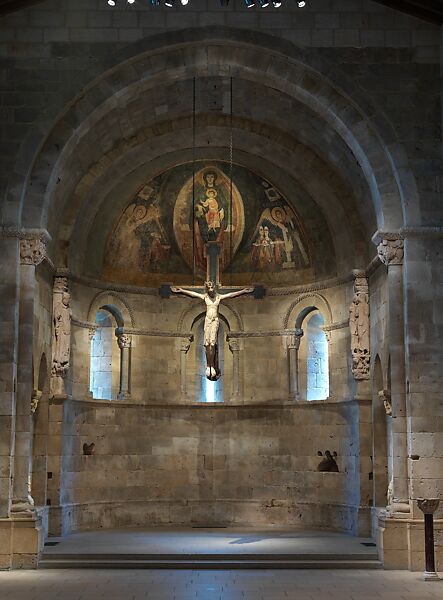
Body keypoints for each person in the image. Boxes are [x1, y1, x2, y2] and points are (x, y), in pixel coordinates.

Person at [171, 281, 254, 380]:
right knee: (207, 344)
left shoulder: (219, 297)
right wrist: (182, 290)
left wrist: (243, 291)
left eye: (212, 287)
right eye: (209, 288)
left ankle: (212, 366)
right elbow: (193, 293)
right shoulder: (205, 297)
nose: (210, 289)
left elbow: (231, 294)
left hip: (215, 321)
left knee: (212, 344)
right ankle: (208, 365)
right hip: (208, 321)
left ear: (214, 288)